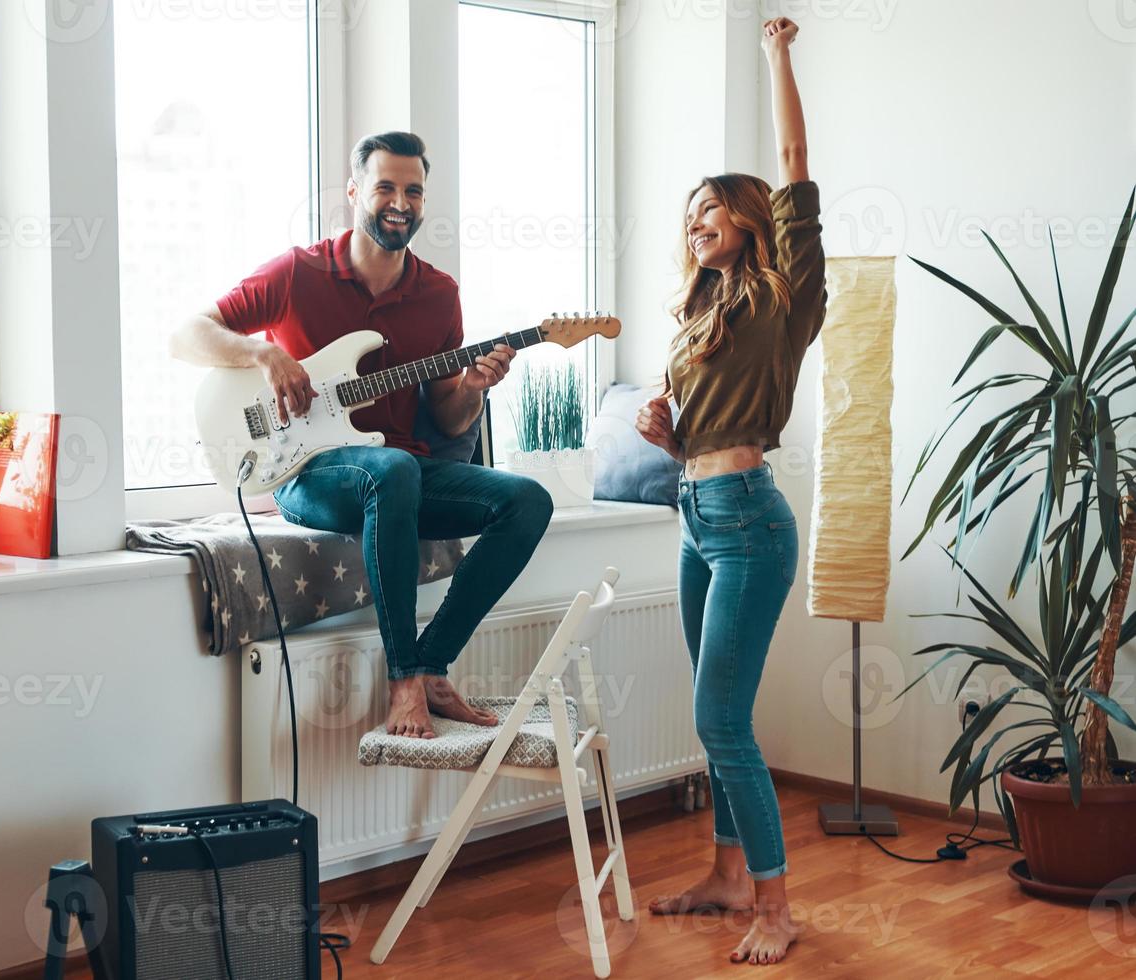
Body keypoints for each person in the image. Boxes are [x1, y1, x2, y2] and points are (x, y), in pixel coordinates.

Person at [171, 131, 554, 740]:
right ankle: (403, 678)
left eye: (413, 190)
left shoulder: (439, 294)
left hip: (397, 471)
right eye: (385, 187)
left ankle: (430, 664)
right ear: (354, 192)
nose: (399, 201)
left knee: (529, 500)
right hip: (306, 473)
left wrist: (475, 387)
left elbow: (447, 417)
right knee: (393, 470)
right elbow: (188, 333)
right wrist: (263, 356)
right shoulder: (298, 272)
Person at [635, 17, 823, 967]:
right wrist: (668, 435)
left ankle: (776, 906)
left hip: (751, 524)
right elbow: (697, 430)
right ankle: (724, 877)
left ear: (752, 217)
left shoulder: (784, 293)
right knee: (713, 714)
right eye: (689, 213)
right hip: (696, 515)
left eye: (711, 208)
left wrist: (775, 54)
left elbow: (794, 158)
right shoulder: (702, 311)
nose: (695, 220)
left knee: (722, 719)